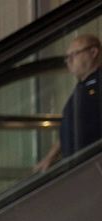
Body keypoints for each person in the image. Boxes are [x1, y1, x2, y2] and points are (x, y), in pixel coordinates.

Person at [34, 32, 100, 174]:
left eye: (74, 55)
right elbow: (72, 125)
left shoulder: (99, 84)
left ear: (93, 52)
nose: (69, 61)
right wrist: (50, 157)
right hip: (78, 168)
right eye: (67, 58)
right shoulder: (82, 86)